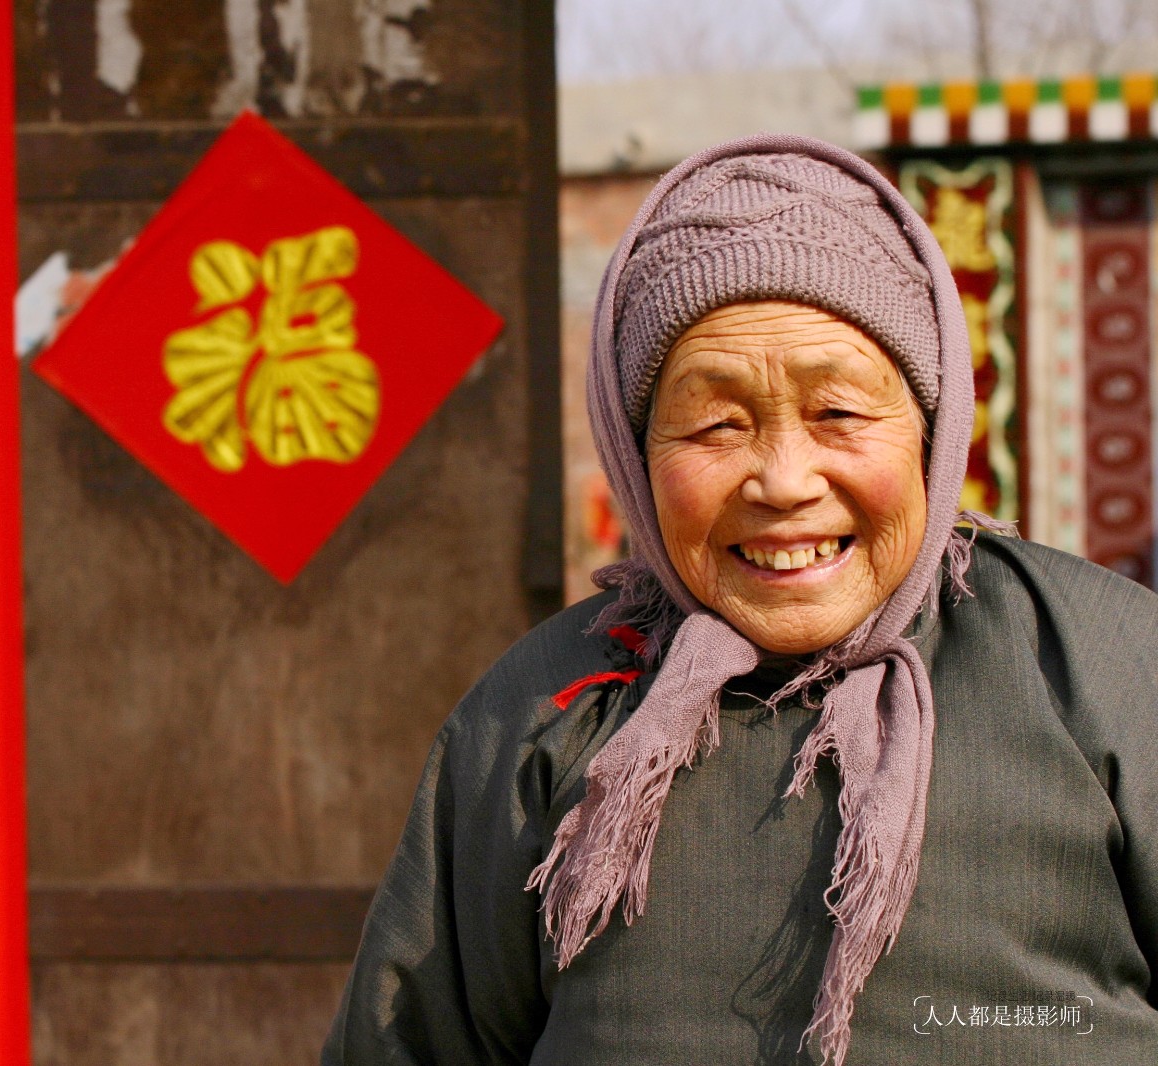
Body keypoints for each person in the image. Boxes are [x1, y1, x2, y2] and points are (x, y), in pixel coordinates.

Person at [320, 134, 1158, 1065]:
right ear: (637, 454)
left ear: (933, 425)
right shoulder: (538, 715)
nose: (784, 481)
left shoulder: (1107, 672)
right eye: (716, 423)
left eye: (839, 412)